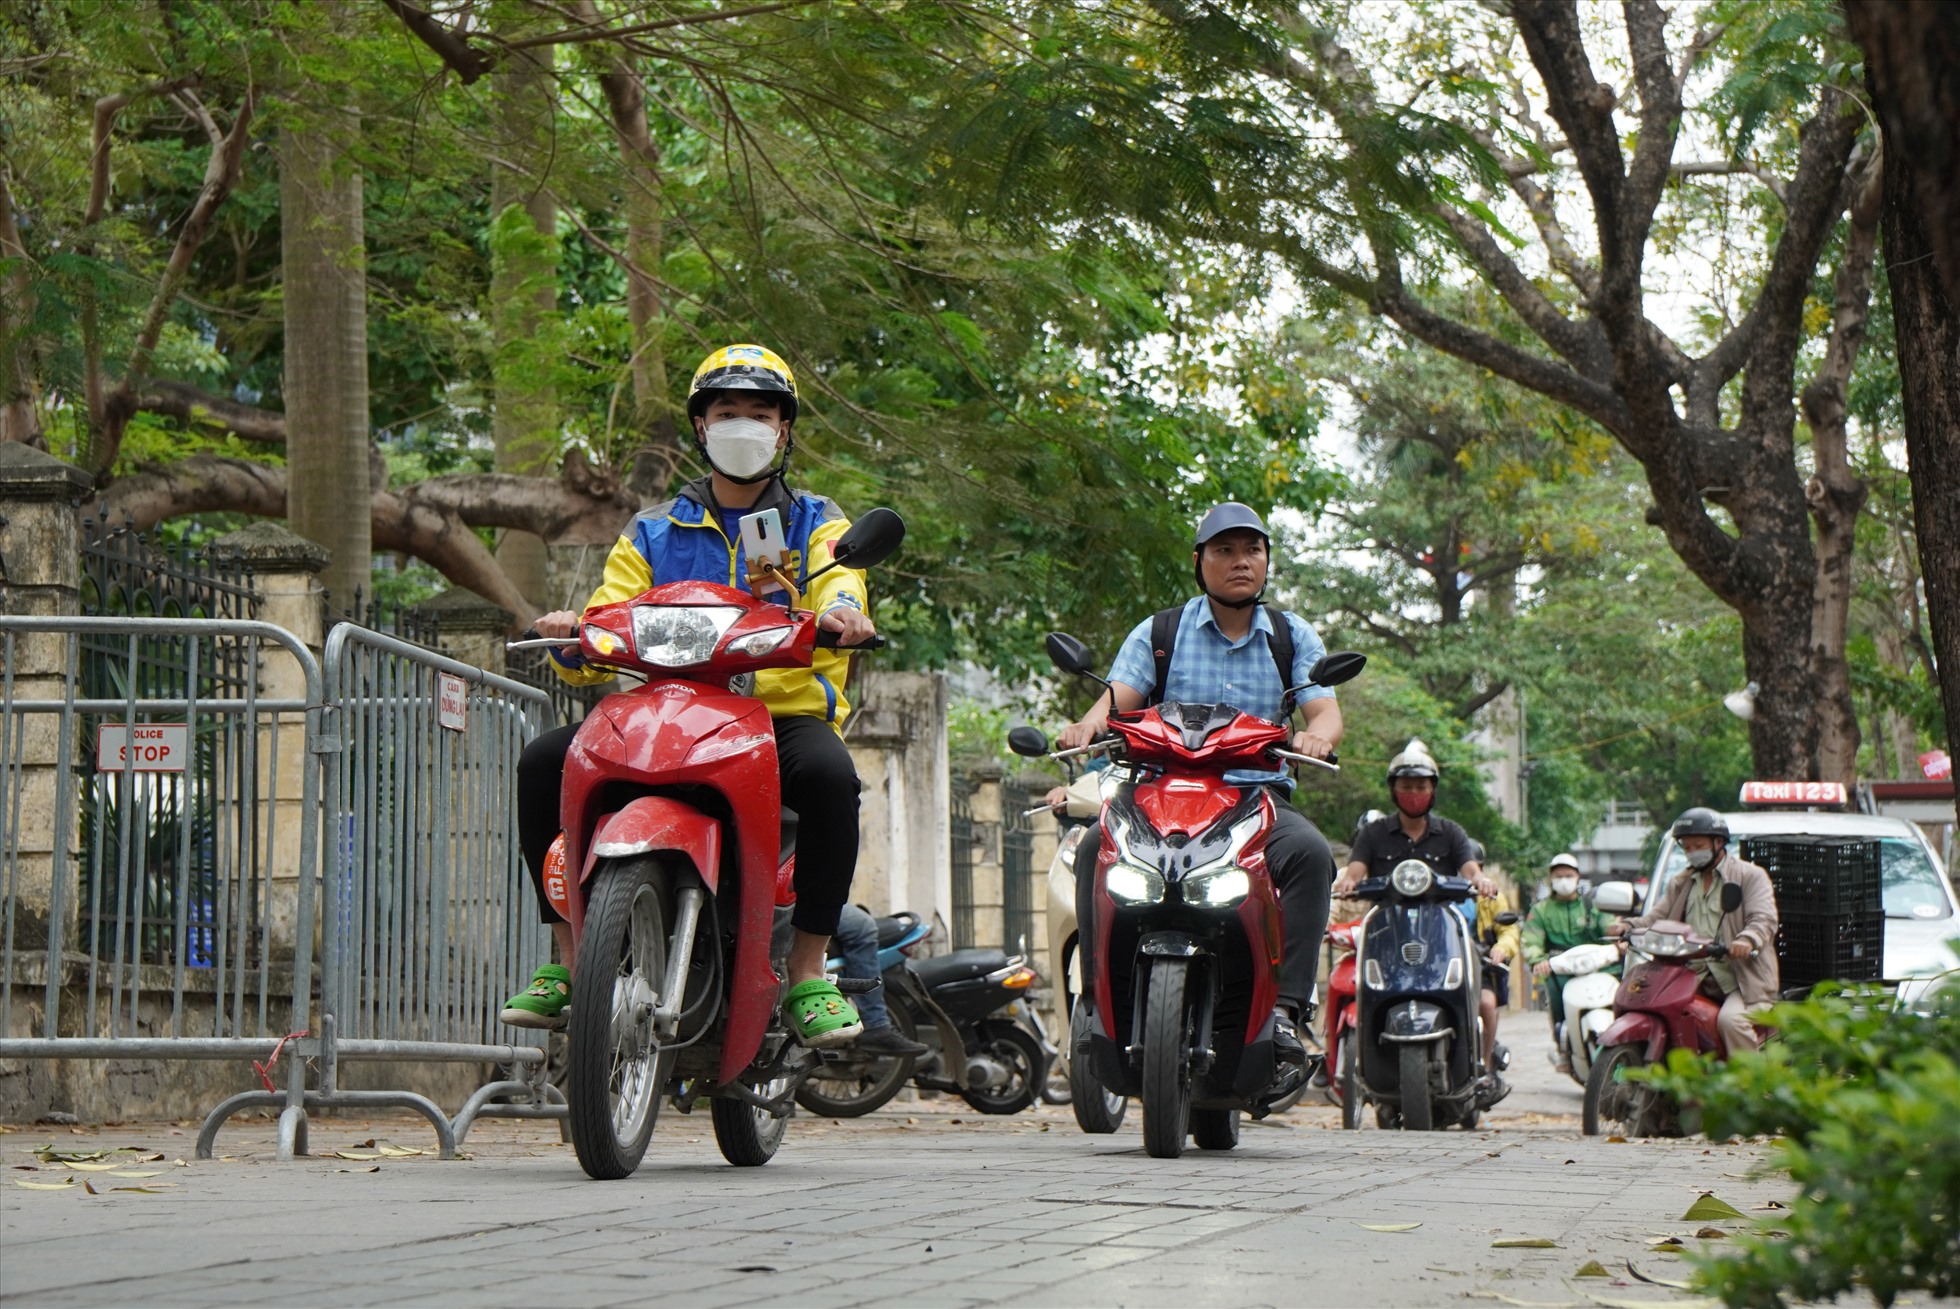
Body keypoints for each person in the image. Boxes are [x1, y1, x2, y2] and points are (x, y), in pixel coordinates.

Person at [500, 344, 878, 1049]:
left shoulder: (815, 522)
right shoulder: (651, 529)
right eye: (726, 411)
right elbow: (607, 614)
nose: (743, 425)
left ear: (785, 429)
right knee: (542, 761)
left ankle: (806, 970)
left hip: (776, 717)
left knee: (831, 776)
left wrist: (844, 616)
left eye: (759, 413)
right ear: (701, 427)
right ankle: (568, 959)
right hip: (665, 712)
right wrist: (571, 633)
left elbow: (840, 583)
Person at [1053, 501, 1344, 1081]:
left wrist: (1316, 735)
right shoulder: (1161, 631)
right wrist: (1087, 727)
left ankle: (1287, 1012)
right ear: (1199, 561)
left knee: (1311, 854)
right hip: (1157, 796)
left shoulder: (1290, 636)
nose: (1241, 562)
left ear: (1266, 561)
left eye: (1252, 550)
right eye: (1225, 551)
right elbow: (1115, 702)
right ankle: (1095, 1004)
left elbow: (1326, 712)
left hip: (1255, 799)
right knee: (1091, 850)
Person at [1332, 740, 1507, 1091]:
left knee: (1475, 981)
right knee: (1364, 986)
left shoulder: (1451, 833)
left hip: (1441, 932)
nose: (1414, 793)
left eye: (1421, 786)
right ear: (1393, 791)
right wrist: (1348, 883)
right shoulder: (1373, 834)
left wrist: (1481, 880)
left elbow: (1470, 869)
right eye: (1406, 786)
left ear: (1433, 790)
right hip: (1386, 932)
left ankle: (1478, 1065)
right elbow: (1354, 871)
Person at [1607, 807, 1779, 1054]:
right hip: (1690, 975)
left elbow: (1763, 919)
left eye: (1697, 845)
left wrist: (1747, 940)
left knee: (1732, 1022)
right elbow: (1657, 917)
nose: (1691, 853)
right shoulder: (1681, 882)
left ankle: (1748, 1087)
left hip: (1740, 979)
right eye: (1686, 848)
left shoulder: (1749, 876)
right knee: (1652, 1003)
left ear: (1718, 843)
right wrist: (1628, 926)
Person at [1521, 852, 1615, 1074]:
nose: (1564, 880)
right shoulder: (1541, 910)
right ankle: (1563, 1047)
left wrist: (1619, 933)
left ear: (1577, 877)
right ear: (1551, 879)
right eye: (1559, 875)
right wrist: (1538, 960)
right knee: (1554, 994)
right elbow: (1531, 939)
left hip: (1595, 966)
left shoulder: (1591, 905)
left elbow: (1609, 925)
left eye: (1569, 875)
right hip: (1561, 969)